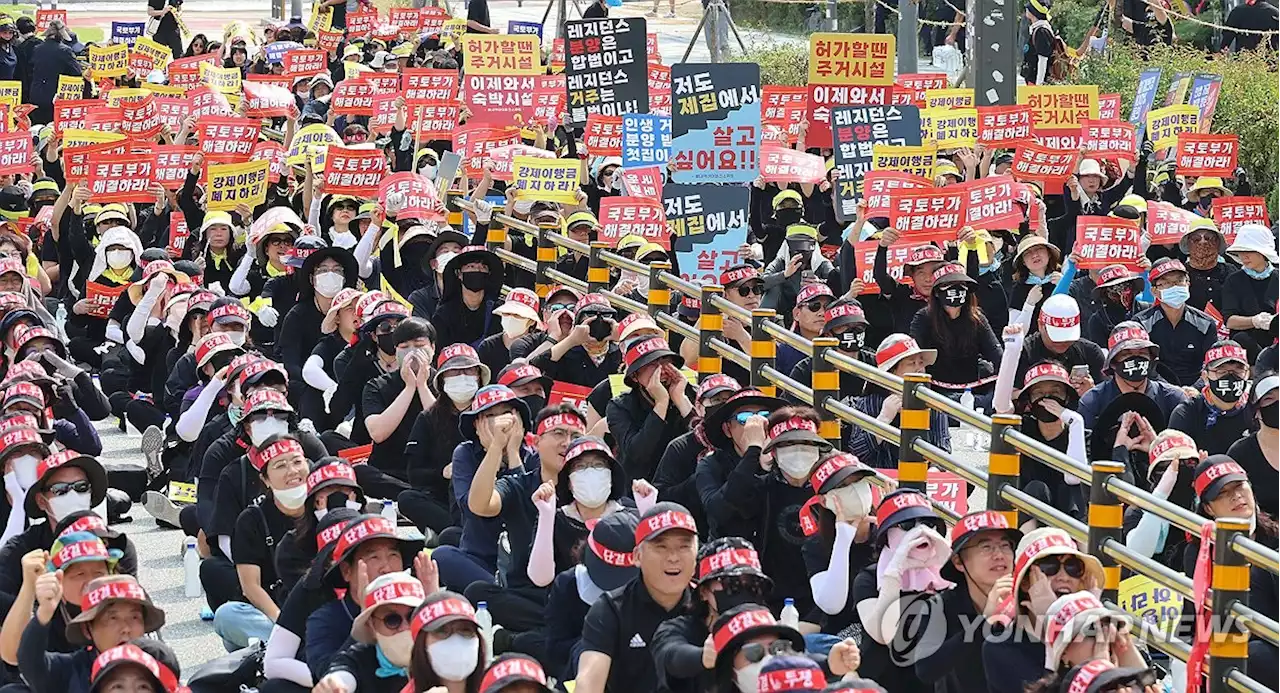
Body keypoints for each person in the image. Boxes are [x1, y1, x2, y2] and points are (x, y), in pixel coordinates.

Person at [575, 502, 698, 693]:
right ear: (637, 556)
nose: (673, 557)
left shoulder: (709, 605)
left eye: (684, 546)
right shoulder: (610, 610)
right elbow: (588, 684)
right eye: (661, 547)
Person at [982, 528, 1105, 693]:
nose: (1064, 577)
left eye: (1073, 567)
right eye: (1050, 567)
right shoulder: (1000, 647)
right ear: (1025, 583)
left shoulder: (1095, 635)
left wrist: (1094, 619)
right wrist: (1051, 623)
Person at [914, 511, 1021, 693]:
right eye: (986, 547)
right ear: (958, 562)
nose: (999, 555)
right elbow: (925, 669)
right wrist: (985, 621)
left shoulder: (1027, 601)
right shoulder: (939, 607)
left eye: (1005, 545)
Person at [1133, 258, 1218, 386]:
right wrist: (1171, 392)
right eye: (1167, 283)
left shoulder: (1206, 323)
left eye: (1179, 281)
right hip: (1156, 389)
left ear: (1188, 284)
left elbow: (1212, 364)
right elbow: (1144, 366)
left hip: (1196, 391)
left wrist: (1195, 389)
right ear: (1154, 291)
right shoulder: (1141, 323)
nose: (1174, 287)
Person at [1169, 341, 1254, 455]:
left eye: (1238, 371)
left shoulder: (1257, 410)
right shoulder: (1187, 413)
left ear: (1247, 374)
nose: (1230, 377)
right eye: (1221, 371)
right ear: (1205, 377)